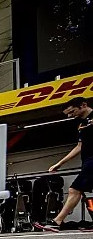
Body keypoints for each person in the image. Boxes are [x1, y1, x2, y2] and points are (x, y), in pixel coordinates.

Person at [35, 97, 93, 231]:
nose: (70, 116)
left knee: (74, 189)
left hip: (92, 161)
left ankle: (57, 221)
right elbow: (79, 146)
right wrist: (59, 164)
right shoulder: (82, 125)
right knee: (81, 191)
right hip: (87, 160)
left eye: (72, 112)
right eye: (67, 114)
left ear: (83, 105)